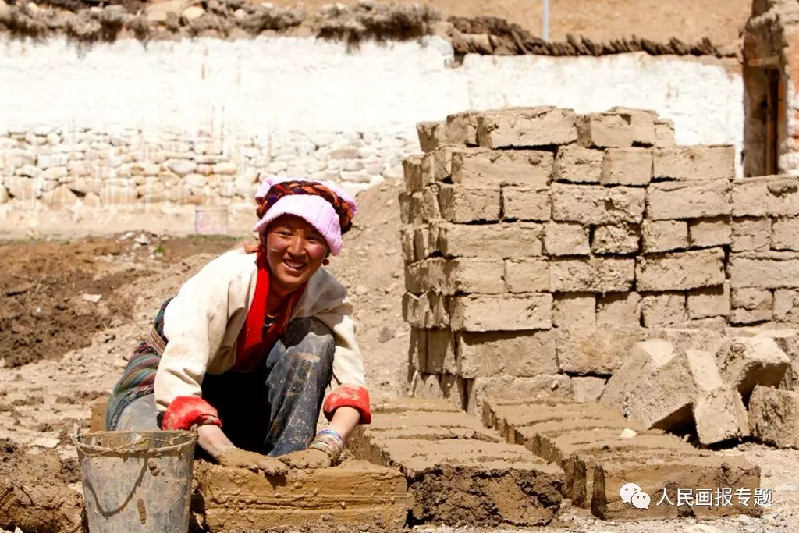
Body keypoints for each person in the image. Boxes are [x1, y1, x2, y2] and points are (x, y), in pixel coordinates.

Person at [104, 176, 371, 474]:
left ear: (327, 251)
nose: (296, 250)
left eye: (312, 239)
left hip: (237, 399)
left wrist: (329, 443)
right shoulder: (226, 279)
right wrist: (226, 451)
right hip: (163, 388)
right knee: (152, 455)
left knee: (315, 341)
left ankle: (287, 471)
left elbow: (350, 383)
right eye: (284, 233)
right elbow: (178, 380)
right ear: (264, 237)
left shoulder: (327, 294)